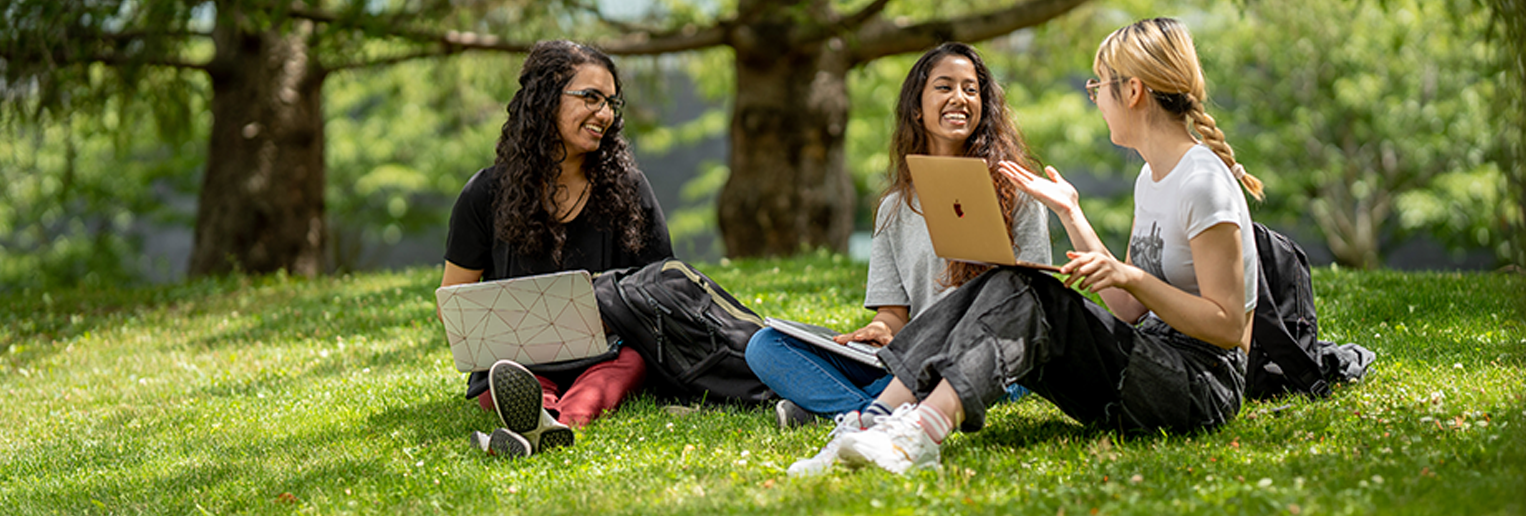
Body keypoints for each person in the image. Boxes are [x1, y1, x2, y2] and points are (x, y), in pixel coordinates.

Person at [804, 17, 1265, 474]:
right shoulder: (1152, 178)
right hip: (1146, 362)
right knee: (1013, 279)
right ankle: (874, 420)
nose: (1096, 99)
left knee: (1025, 288)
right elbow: (1126, 308)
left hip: (1201, 389)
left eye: (1098, 86)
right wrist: (1072, 212)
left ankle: (920, 430)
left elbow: (1229, 329)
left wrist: (1134, 276)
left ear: (1132, 91)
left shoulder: (1202, 182)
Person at [742, 42, 1051, 476]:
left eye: (971, 90)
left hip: (985, 360)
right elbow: (894, 315)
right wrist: (881, 329)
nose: (960, 98)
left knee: (941, 375)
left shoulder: (1018, 194)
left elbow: (1034, 303)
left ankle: (857, 416)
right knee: (766, 346)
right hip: (908, 361)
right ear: (917, 110)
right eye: (944, 87)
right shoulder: (894, 207)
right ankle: (879, 415)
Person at [440, 40, 673, 458]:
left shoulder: (629, 189)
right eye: (590, 98)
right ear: (545, 99)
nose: (603, 114)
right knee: (506, 376)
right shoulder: (483, 194)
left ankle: (550, 426)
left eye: (610, 103)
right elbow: (451, 300)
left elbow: (663, 287)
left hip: (608, 354)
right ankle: (540, 416)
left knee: (630, 365)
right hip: (516, 358)